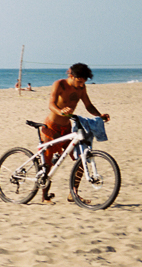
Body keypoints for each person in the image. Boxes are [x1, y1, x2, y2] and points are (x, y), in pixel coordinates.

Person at [38, 63, 110, 203]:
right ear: (71, 76)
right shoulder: (60, 84)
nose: (81, 85)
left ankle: (73, 193)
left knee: (82, 157)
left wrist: (100, 115)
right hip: (51, 127)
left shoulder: (82, 88)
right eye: (79, 81)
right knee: (47, 164)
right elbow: (51, 104)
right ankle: (44, 196)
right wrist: (61, 111)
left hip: (67, 128)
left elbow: (88, 105)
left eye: (83, 82)